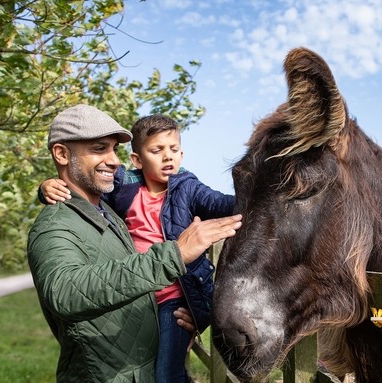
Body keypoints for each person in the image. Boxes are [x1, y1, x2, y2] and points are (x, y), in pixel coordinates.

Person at [27, 104, 242, 383]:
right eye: (99, 148)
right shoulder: (57, 223)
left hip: (155, 340)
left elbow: (131, 278)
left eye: (114, 149)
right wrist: (174, 254)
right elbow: (65, 292)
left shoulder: (110, 214)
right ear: (61, 154)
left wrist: (190, 315)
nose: (114, 161)